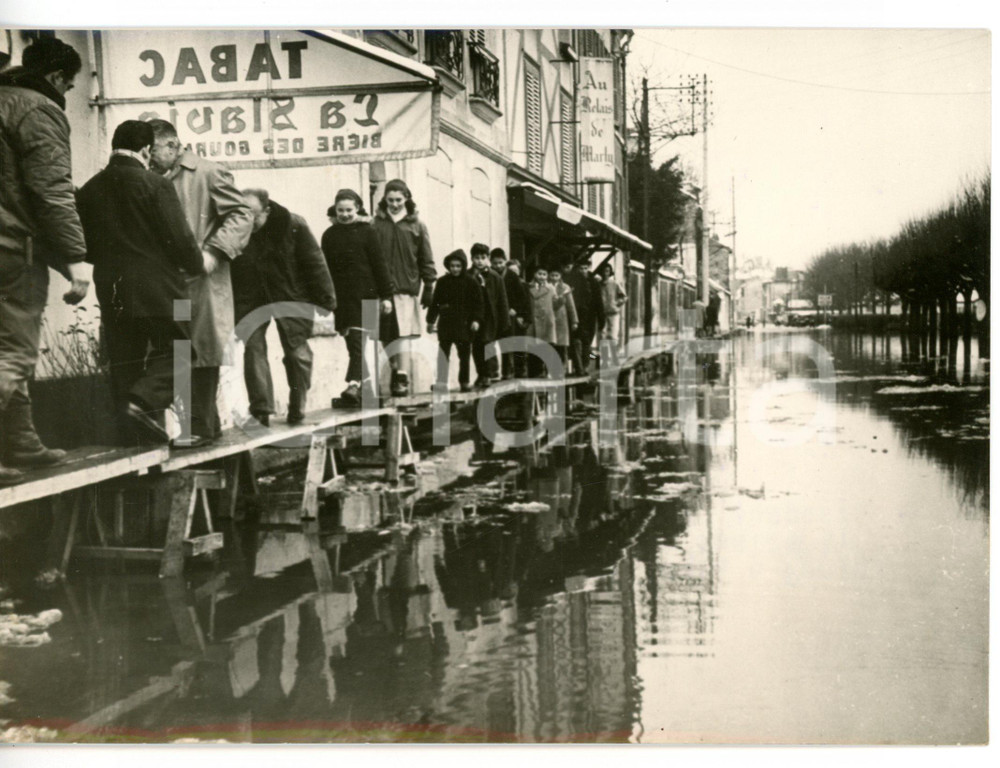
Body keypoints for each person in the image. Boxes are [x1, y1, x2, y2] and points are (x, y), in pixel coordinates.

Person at [76, 119, 204, 444]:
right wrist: (195, 264)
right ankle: (140, 402)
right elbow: (180, 240)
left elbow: (86, 247)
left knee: (125, 358)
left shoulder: (90, 188)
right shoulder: (155, 184)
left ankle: (131, 439)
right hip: (162, 287)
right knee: (181, 349)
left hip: (111, 287)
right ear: (146, 149)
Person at [1, 37, 92, 485]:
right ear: (57, 77)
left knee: (5, 350)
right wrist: (75, 258)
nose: (67, 92)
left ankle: (20, 442)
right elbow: (52, 192)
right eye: (70, 85)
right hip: (10, 251)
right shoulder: (38, 109)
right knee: (13, 351)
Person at [148, 119, 253, 446]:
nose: (149, 158)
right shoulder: (155, 177)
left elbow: (241, 214)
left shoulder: (207, 172)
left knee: (202, 349)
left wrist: (214, 251)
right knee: (180, 347)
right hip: (172, 283)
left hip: (202, 280)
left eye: (152, 151)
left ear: (171, 144)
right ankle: (198, 427)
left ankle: (200, 428)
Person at [233, 189, 336, 426]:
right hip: (251, 297)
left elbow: (314, 260)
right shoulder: (237, 226)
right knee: (254, 350)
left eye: (254, 216)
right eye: (244, 215)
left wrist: (326, 299)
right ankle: (261, 410)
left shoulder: (294, 225)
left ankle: (297, 403)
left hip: (290, 294)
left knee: (297, 353)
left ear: (267, 210)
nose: (249, 221)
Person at [321, 189, 394, 408]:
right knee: (354, 345)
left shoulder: (367, 232)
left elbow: (379, 265)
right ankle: (365, 390)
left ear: (358, 208)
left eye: (349, 210)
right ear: (335, 210)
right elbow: (323, 268)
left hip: (367, 295)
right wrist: (325, 296)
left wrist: (386, 296)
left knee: (359, 344)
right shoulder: (329, 235)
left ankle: (353, 385)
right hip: (342, 298)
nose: (344, 214)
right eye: (340, 210)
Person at [371, 179, 436, 397]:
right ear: (385, 200)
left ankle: (402, 377)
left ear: (406, 198)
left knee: (404, 336)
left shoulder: (417, 225)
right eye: (390, 200)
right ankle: (396, 371)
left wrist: (429, 284)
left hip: (406, 289)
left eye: (399, 200)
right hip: (383, 290)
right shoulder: (376, 224)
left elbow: (426, 258)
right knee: (386, 336)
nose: (395, 204)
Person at [426, 250, 483, 393]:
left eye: (458, 266)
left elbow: (478, 303)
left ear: (463, 266)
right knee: (443, 354)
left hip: (464, 324)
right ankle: (441, 382)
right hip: (446, 323)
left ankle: (464, 382)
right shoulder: (442, 282)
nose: (455, 269)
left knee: (464, 354)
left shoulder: (471, 282)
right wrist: (430, 320)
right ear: (448, 266)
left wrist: (476, 320)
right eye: (452, 266)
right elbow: (435, 303)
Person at [469, 243, 509, 388]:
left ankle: (490, 374)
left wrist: (505, 321)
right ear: (471, 259)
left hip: (490, 317)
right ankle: (481, 374)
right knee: (476, 347)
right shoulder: (468, 275)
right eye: (476, 258)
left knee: (488, 345)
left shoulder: (495, 277)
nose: (479, 261)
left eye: (483, 257)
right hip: (473, 317)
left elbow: (502, 299)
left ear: (488, 259)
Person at [491, 249, 531, 378]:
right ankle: (493, 371)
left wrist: (516, 309)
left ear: (505, 261)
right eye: (495, 263)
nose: (498, 266)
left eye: (500, 262)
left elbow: (522, 297)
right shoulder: (490, 276)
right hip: (495, 315)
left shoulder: (512, 276)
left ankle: (510, 371)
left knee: (509, 343)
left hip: (509, 315)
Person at [563, 255, 603, 374]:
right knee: (577, 341)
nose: (583, 271)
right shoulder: (573, 280)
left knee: (587, 342)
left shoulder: (593, 282)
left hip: (590, 316)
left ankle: (585, 364)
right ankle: (580, 367)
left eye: (586, 268)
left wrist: (601, 318)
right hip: (577, 315)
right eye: (581, 268)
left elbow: (598, 301)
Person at [526, 266, 561, 378]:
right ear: (534, 274)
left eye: (544, 274)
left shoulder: (550, 288)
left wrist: (561, 299)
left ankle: (549, 370)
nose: (542, 277)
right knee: (534, 348)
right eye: (539, 274)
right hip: (533, 322)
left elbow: (555, 304)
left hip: (547, 322)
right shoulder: (528, 287)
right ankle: (536, 372)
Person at [550, 267, 579, 373]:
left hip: (561, 318)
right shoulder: (547, 286)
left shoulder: (565, 287)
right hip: (550, 318)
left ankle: (563, 367)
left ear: (560, 276)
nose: (554, 278)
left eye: (556, 275)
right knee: (551, 343)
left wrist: (574, 320)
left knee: (562, 345)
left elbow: (571, 305)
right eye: (552, 275)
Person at [598, 263, 626, 367]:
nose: (605, 273)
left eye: (607, 271)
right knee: (603, 336)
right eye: (603, 271)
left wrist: (616, 304)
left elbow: (624, 297)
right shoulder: (599, 284)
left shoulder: (615, 284)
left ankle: (614, 359)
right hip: (602, 314)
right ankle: (605, 360)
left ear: (610, 272)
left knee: (613, 336)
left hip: (613, 313)